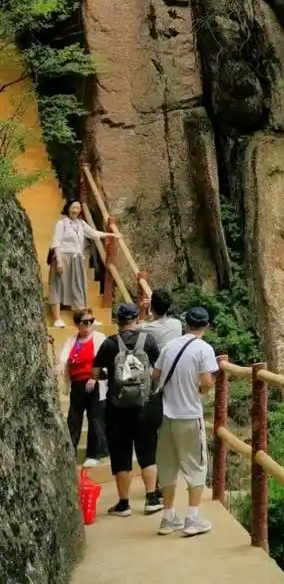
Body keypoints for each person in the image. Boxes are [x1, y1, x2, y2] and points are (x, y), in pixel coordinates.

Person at [92, 303, 164, 517]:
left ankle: (124, 504)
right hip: (143, 406)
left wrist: (111, 377)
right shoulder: (148, 341)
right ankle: (151, 497)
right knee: (147, 452)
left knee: (121, 455)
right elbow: (158, 369)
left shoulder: (109, 344)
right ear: (136, 319)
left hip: (117, 408)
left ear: (117, 321)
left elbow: (95, 373)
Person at [152, 306, 218, 537]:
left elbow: (155, 375)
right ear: (206, 326)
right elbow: (206, 381)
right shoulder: (204, 349)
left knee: (168, 466)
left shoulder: (170, 345)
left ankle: (168, 518)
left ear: (186, 323)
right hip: (190, 415)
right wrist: (202, 390)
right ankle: (192, 518)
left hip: (167, 416)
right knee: (197, 466)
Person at [49, 201, 114, 328]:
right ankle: (57, 319)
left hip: (77, 259)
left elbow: (94, 233)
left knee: (79, 287)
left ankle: (87, 318)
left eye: (78, 208)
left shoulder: (81, 224)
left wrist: (111, 234)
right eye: (73, 207)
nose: (75, 210)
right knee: (58, 285)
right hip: (63, 257)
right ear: (68, 208)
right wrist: (59, 261)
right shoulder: (62, 224)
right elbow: (56, 242)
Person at [59, 308, 108, 468]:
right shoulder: (72, 340)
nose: (88, 325)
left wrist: (94, 377)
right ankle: (68, 451)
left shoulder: (99, 338)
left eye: (91, 321)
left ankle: (94, 453)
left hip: (94, 383)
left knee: (95, 418)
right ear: (77, 324)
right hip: (77, 383)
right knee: (74, 418)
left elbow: (104, 361)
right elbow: (64, 358)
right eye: (85, 322)